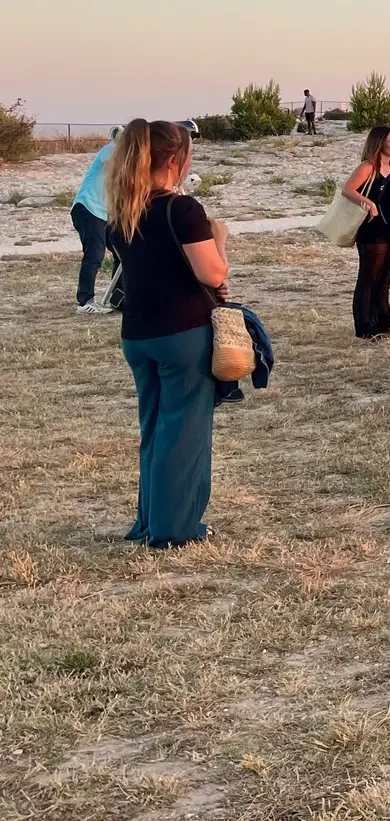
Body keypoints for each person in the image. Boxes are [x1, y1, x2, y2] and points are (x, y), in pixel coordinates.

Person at [104, 119, 228, 548]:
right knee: (184, 431)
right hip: (183, 333)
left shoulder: (123, 212)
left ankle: (150, 520)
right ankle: (175, 528)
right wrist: (219, 238)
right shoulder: (183, 210)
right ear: (175, 159)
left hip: (138, 334)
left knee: (155, 427)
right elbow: (213, 273)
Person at [344, 125, 390, 340]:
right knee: (369, 277)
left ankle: (383, 321)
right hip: (372, 230)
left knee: (385, 277)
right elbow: (347, 190)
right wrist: (369, 204)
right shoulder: (368, 167)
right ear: (380, 143)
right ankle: (364, 326)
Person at [72, 129, 118, 313]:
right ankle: (85, 302)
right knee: (94, 256)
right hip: (88, 208)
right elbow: (112, 167)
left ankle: (118, 299)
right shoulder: (111, 149)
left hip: (106, 213)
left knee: (122, 254)